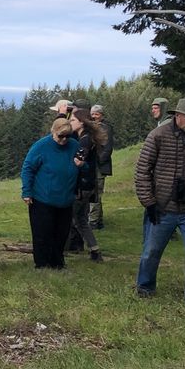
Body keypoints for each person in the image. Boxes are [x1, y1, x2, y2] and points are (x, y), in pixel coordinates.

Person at [134, 98, 185, 312]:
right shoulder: (158, 136)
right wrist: (149, 203)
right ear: (177, 115)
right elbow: (142, 171)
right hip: (161, 207)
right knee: (151, 252)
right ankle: (145, 288)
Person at [20, 118, 81, 270]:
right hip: (42, 199)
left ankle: (57, 263)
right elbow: (28, 168)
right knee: (42, 233)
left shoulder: (74, 146)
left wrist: (82, 165)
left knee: (61, 234)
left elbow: (83, 168)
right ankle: (41, 264)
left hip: (66, 199)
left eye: (67, 136)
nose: (64, 140)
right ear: (53, 131)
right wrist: (26, 191)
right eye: (60, 136)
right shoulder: (41, 146)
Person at [67, 109, 107, 262]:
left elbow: (79, 161)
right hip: (89, 184)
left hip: (82, 185)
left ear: (81, 122)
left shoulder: (84, 140)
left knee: (72, 217)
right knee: (81, 219)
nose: (71, 123)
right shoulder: (87, 137)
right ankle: (94, 250)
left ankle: (60, 249)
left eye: (73, 121)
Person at [88, 105, 115, 230]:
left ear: (101, 115)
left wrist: (97, 161)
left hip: (99, 166)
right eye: (92, 114)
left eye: (96, 114)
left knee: (95, 194)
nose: (94, 116)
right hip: (93, 165)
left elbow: (108, 148)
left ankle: (93, 222)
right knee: (96, 194)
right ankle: (99, 221)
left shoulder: (106, 128)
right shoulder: (91, 127)